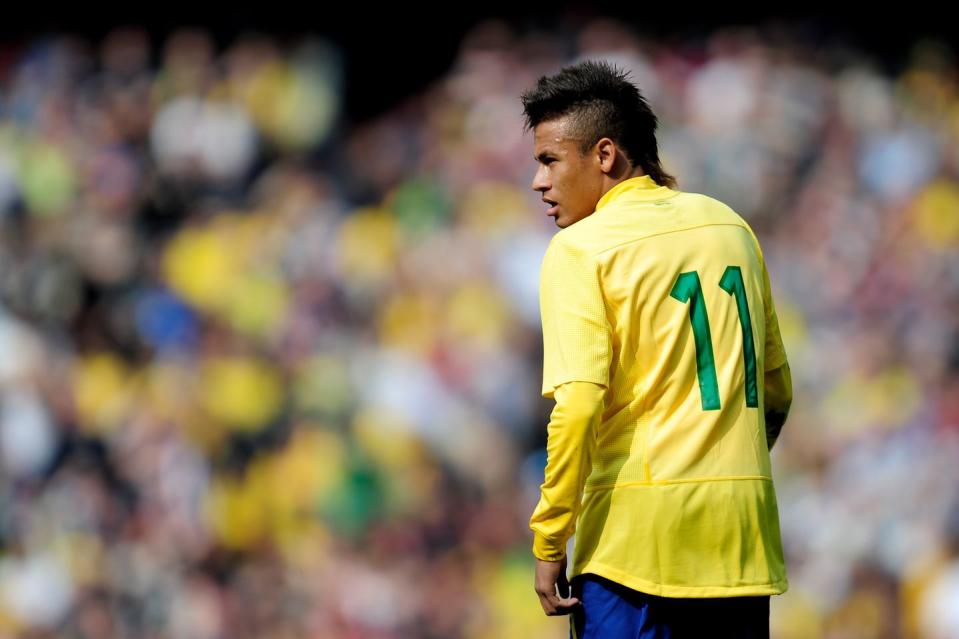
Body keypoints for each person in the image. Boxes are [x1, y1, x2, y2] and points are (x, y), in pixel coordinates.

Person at [521, 59, 793, 638]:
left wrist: (550, 537)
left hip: (634, 551)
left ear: (603, 155)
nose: (538, 182)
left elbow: (578, 406)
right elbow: (775, 387)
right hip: (741, 544)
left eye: (549, 160)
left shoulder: (582, 249)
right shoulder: (730, 228)